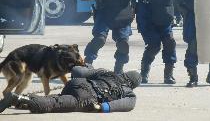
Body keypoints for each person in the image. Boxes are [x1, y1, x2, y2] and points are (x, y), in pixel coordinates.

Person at [0, 65, 141, 113]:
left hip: (77, 84)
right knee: (55, 103)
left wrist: (87, 67)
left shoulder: (107, 72)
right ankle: (17, 99)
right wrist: (102, 107)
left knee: (54, 99)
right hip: (86, 97)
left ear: (124, 74)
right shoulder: (128, 92)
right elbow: (128, 104)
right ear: (133, 84)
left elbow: (78, 72)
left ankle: (20, 101)